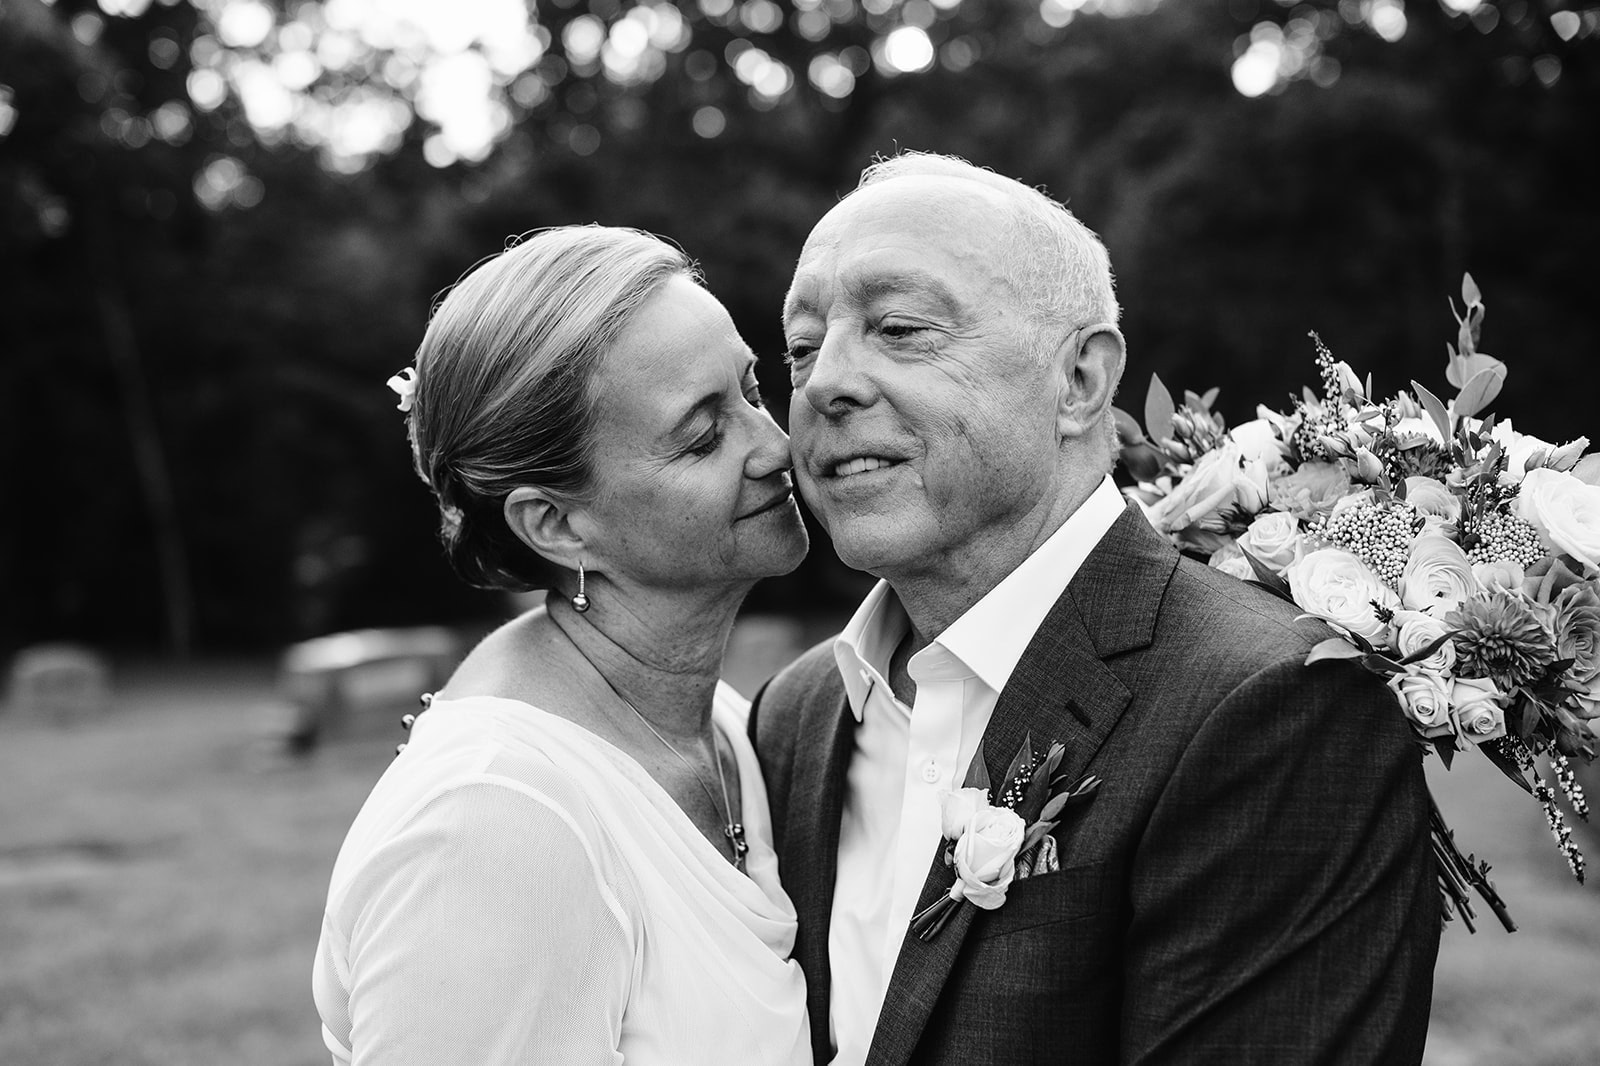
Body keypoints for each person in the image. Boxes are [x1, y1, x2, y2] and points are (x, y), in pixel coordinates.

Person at [750, 152, 1441, 1066]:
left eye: (901, 327)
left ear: (1079, 381)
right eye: (801, 347)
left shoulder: (1276, 708)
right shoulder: (794, 716)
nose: (824, 382)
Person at [312, 225, 812, 1064]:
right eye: (701, 434)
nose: (777, 447)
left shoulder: (717, 724)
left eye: (752, 391)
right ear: (557, 523)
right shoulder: (490, 830)